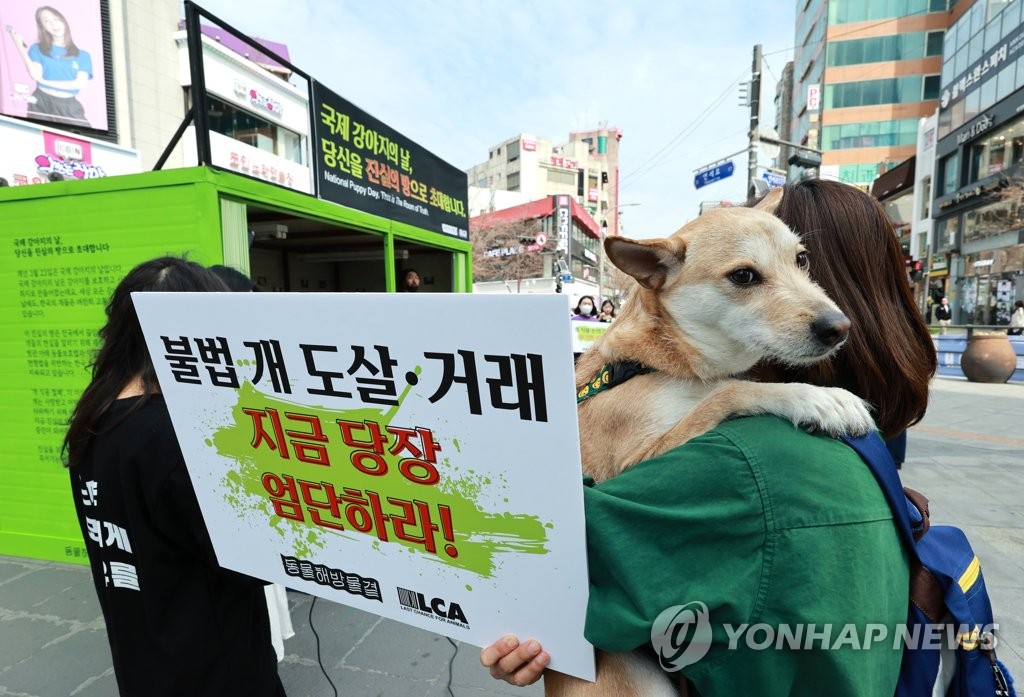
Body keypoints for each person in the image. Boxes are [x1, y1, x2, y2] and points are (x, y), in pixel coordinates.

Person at [481, 180, 936, 695]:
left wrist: (528, 626)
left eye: (801, 261)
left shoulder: (753, 456)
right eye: (746, 276)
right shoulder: (846, 437)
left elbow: (564, 570)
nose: (820, 307)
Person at [63, 257, 286, 697]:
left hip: (143, 651)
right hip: (213, 667)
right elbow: (254, 563)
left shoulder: (98, 414)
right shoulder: (177, 439)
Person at [7, 6, 95, 128]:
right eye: (46, 21)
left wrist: (45, 82)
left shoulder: (83, 55)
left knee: (84, 137)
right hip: (40, 101)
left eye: (56, 19)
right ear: (42, 26)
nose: (53, 24)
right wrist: (20, 48)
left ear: (64, 21)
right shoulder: (36, 49)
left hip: (68, 106)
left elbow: (79, 84)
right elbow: (35, 75)